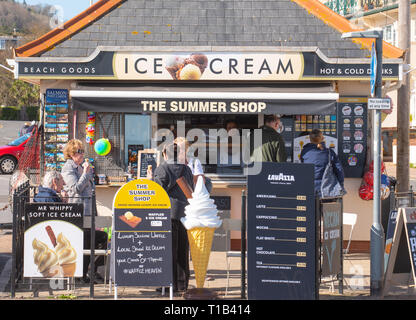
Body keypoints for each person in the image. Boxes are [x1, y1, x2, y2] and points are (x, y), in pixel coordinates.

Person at [61, 139, 107, 283]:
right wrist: (86, 173)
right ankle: (83, 275)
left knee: (100, 238)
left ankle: (89, 270)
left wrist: (88, 173)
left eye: (82, 151)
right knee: (86, 243)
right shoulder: (68, 168)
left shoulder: (80, 167)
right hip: (79, 212)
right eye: (79, 151)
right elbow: (75, 189)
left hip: (90, 212)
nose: (82, 154)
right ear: (71, 153)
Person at [152, 142, 194, 293]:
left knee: (167, 250)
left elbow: (157, 193)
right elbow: (192, 189)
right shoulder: (187, 169)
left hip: (167, 214)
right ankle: (182, 284)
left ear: (165, 154)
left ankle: (167, 284)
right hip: (185, 213)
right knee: (183, 250)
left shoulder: (162, 168)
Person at [300, 129, 345, 196]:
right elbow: (339, 170)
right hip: (326, 187)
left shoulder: (305, 152)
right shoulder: (330, 153)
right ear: (323, 138)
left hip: (309, 187)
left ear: (310, 139)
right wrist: (341, 183)